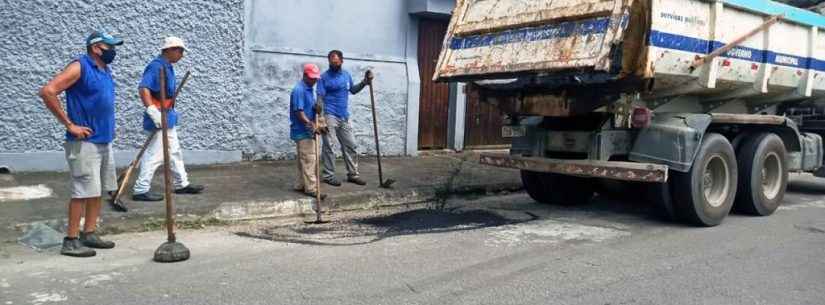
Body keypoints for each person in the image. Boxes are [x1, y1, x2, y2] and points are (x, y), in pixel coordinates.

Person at [39, 31, 123, 257]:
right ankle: (71, 239)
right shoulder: (80, 66)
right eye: (110, 46)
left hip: (104, 140)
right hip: (84, 142)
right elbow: (48, 91)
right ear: (96, 48)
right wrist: (70, 124)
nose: (113, 51)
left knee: (96, 190)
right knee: (82, 191)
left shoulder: (105, 70)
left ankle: (89, 232)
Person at [132, 37, 204, 202]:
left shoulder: (167, 67)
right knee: (154, 155)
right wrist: (152, 111)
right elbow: (144, 89)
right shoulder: (156, 66)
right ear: (169, 50)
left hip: (168, 116)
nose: (182, 55)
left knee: (174, 153)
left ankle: (182, 184)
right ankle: (140, 190)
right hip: (159, 117)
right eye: (180, 51)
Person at [317, 50, 373, 187]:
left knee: (351, 145)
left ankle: (353, 175)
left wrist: (365, 82)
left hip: (344, 116)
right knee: (329, 146)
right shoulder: (323, 78)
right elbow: (319, 98)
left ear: (341, 61)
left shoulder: (346, 75)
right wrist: (320, 119)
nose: (333, 64)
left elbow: (352, 90)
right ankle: (328, 176)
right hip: (329, 115)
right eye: (331, 62)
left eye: (336, 62)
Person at [291, 63, 327, 200]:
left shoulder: (309, 89)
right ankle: (312, 189)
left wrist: (316, 109)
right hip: (303, 130)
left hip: (308, 129)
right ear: (305, 75)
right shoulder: (299, 90)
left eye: (315, 78)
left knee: (304, 160)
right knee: (309, 160)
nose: (314, 81)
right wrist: (311, 125)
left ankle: (301, 184)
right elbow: (299, 112)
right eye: (311, 78)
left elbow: (308, 107)